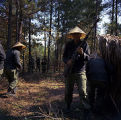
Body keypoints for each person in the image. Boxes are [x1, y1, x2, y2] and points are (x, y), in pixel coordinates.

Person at [63, 26, 90, 111]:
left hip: (80, 71)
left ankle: (85, 108)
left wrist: (82, 54)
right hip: (70, 71)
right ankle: (68, 106)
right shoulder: (68, 44)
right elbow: (64, 57)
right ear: (72, 35)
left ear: (80, 35)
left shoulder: (85, 44)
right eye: (74, 34)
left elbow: (88, 58)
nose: (76, 35)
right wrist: (67, 61)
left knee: (83, 91)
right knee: (68, 91)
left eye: (77, 34)